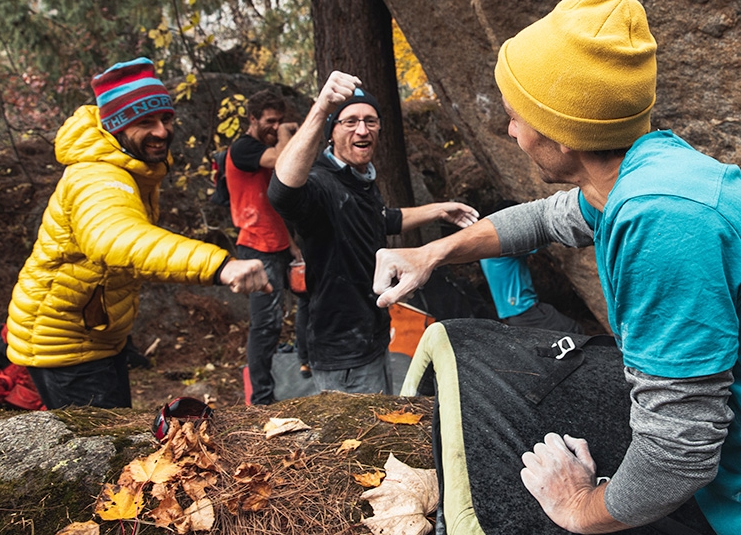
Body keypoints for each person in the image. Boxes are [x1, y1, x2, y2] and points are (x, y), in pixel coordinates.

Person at [371, 0, 741, 533]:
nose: (510, 131)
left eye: (516, 116)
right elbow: (546, 219)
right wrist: (433, 251)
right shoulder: (648, 171)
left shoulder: (663, 224)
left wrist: (578, 505)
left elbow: (679, 452)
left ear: (564, 135)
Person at [5, 57, 271, 410]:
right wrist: (220, 266)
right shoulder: (98, 177)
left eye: (165, 118)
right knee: (97, 455)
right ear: (117, 127)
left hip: (93, 334)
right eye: (145, 122)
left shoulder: (132, 167)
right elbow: (116, 238)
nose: (161, 131)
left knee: (114, 437)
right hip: (66, 344)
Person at [268, 73, 479, 395]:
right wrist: (322, 105)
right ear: (331, 132)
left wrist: (437, 209)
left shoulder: (359, 178)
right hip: (343, 351)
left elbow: (382, 220)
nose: (363, 130)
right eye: (350, 122)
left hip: (375, 332)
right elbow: (282, 191)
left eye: (370, 121)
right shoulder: (321, 184)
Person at [225, 89, 304, 405]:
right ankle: (261, 397)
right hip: (256, 249)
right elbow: (284, 161)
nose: (275, 127)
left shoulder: (265, 147)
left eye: (280, 121)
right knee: (265, 325)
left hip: (279, 245)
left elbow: (273, 205)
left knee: (305, 303)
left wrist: (293, 246)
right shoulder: (244, 148)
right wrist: (286, 134)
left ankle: (306, 363)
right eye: (270, 121)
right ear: (252, 119)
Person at [480, 200, 583, 335]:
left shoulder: (485, 250)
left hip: (512, 314)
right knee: (573, 330)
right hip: (524, 310)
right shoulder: (502, 248)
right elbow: (536, 242)